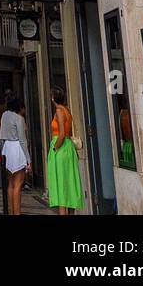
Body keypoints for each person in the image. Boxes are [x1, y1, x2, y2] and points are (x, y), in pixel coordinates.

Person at [47, 86, 84, 215]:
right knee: (70, 184)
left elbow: (62, 133)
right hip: (69, 148)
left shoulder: (59, 110)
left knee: (61, 185)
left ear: (53, 98)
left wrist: (54, 147)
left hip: (61, 148)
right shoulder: (67, 110)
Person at [0, 95, 31, 215]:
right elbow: (23, 140)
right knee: (18, 184)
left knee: (10, 184)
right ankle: (17, 213)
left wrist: (2, 150)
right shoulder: (19, 119)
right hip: (17, 148)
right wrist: (28, 159)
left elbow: (1, 136)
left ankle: (11, 212)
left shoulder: (4, 116)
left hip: (7, 148)